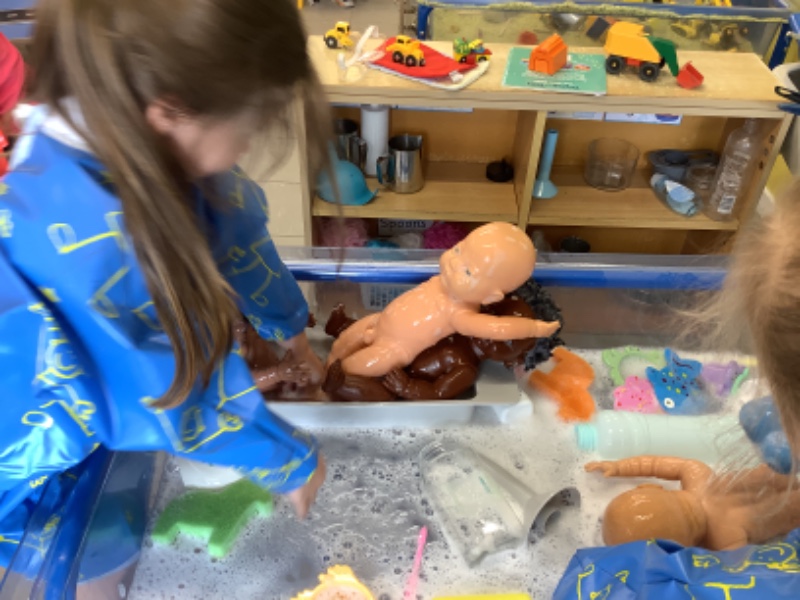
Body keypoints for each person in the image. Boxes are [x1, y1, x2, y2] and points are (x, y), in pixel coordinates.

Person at [0, 0, 330, 571]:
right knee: (83, 559)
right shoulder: (82, 234)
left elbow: (237, 229)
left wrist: (292, 330)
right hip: (28, 452)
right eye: (249, 128)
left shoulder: (144, 130)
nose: (247, 146)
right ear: (172, 110)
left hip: (101, 403)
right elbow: (166, 390)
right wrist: (287, 460)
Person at [326, 222, 561, 378]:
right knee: (342, 343)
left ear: (490, 296)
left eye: (468, 271)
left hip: (394, 348)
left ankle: (337, 378)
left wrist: (535, 328)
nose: (454, 263)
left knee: (358, 367)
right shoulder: (443, 280)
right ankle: (329, 363)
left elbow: (498, 328)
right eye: (458, 250)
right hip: (378, 320)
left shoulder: (461, 315)